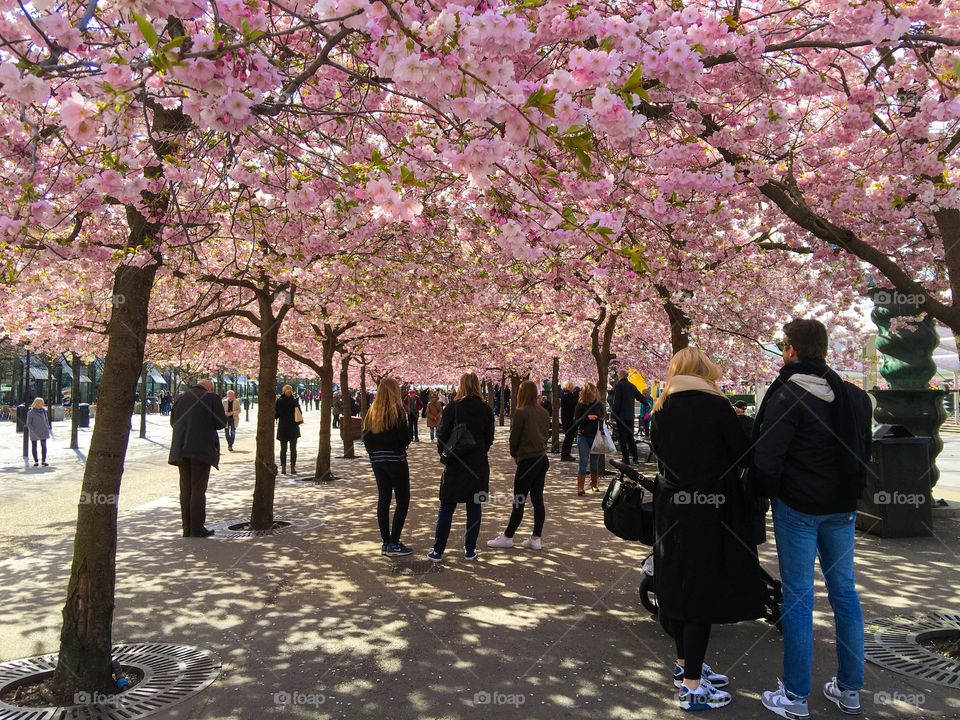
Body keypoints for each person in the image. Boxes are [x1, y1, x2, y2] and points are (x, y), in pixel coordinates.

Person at [755, 319, 872, 719]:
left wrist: (763, 492)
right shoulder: (853, 396)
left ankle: (795, 695)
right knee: (845, 593)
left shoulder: (788, 395)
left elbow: (767, 459)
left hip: (799, 508)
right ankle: (850, 689)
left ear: (790, 349)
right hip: (842, 508)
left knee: (800, 598)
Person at [650, 347, 766, 711]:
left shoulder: (661, 407)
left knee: (679, 582)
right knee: (702, 588)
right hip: (710, 507)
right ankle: (693, 687)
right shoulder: (716, 406)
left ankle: (686, 664)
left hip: (672, 507)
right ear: (705, 371)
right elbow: (742, 454)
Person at [428, 372, 495, 563]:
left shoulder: (453, 407)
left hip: (456, 463)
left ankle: (438, 550)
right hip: (478, 464)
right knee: (474, 506)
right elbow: (489, 438)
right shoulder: (486, 409)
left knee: (447, 505)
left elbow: (441, 435)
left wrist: (445, 453)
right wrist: (480, 449)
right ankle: (470, 550)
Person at [487, 380, 550, 550]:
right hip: (542, 458)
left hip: (527, 459)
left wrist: (514, 454)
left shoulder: (520, 412)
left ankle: (508, 536)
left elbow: (514, 439)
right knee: (538, 499)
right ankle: (536, 537)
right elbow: (546, 434)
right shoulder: (543, 412)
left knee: (519, 499)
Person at [362, 378, 413, 557]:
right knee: (402, 500)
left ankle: (386, 542)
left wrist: (374, 454)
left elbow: (366, 437)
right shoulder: (398, 412)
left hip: (378, 461)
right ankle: (394, 542)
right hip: (396, 460)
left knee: (384, 499)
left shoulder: (371, 412)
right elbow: (405, 438)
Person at [169, 379, 227, 538]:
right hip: (201, 449)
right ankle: (197, 528)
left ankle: (186, 528)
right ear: (209, 388)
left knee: (185, 489)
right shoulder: (212, 398)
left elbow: (173, 422)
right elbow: (221, 423)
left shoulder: (180, 398)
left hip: (180, 449)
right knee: (198, 489)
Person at [569, 382, 605, 495]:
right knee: (583, 462)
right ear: (586, 394)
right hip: (583, 436)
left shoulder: (599, 405)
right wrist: (587, 417)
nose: (594, 395)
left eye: (595, 393)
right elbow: (576, 422)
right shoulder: (580, 405)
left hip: (596, 437)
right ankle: (580, 487)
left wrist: (600, 418)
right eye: (592, 393)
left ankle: (594, 484)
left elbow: (603, 417)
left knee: (594, 462)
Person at [611, 369, 643, 464]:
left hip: (621, 416)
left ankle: (626, 458)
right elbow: (639, 396)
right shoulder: (632, 386)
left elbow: (616, 401)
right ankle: (635, 457)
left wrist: (613, 414)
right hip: (630, 416)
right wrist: (646, 403)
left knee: (622, 438)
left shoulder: (619, 386)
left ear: (621, 375)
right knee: (630, 436)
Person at [275, 384, 302, 475]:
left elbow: (276, 415)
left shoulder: (279, 401)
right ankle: (292, 467)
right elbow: (299, 413)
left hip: (283, 427)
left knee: (283, 449)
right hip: (293, 427)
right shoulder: (294, 401)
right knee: (293, 449)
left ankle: (283, 467)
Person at [26, 397, 51, 467]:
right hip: (34, 432)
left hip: (43, 431)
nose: (43, 404)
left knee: (44, 446)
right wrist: (33, 431)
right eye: (41, 403)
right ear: (37, 403)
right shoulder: (31, 412)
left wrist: (47, 426)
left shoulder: (43, 411)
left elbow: (46, 420)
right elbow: (28, 423)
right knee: (34, 446)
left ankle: (44, 461)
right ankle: (36, 461)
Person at [559, 381, 579, 461]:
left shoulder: (564, 394)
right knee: (569, 437)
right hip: (569, 419)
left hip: (566, 418)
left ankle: (566, 454)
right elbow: (574, 403)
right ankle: (565, 455)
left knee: (569, 437)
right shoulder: (568, 395)